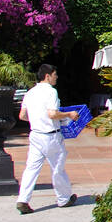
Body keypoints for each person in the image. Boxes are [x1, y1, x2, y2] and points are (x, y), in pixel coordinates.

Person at [15, 64, 79, 214]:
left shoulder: (30, 93)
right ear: (47, 76)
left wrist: (37, 119)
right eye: (55, 75)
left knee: (31, 168)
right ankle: (64, 198)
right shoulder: (51, 92)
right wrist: (69, 114)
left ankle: (23, 199)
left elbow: (22, 116)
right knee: (57, 167)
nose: (56, 77)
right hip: (50, 135)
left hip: (35, 134)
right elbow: (52, 114)